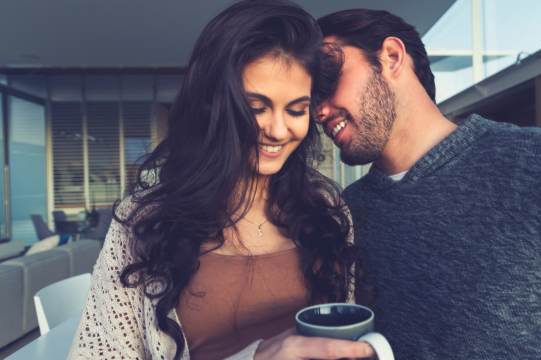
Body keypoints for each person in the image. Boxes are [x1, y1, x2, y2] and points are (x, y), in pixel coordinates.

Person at [315, 8, 541, 360]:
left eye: (327, 78)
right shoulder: (348, 213)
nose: (318, 110)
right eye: (311, 97)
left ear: (392, 57)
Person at [67, 1, 377, 360]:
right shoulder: (143, 222)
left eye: (296, 110)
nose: (278, 130)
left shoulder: (327, 208)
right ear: (212, 104)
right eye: (256, 107)